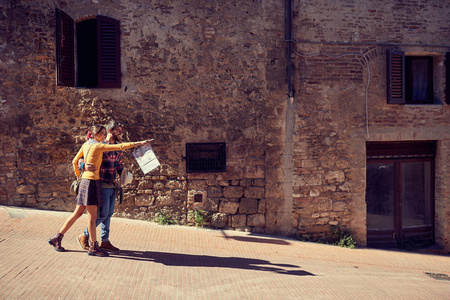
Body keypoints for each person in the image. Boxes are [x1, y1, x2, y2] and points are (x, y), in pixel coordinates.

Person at [48, 124, 152, 257]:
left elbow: (75, 161)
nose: (104, 136)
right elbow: (120, 147)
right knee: (93, 217)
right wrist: (141, 143)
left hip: (90, 181)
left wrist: (79, 175)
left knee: (79, 213)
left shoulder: (87, 144)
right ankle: (92, 246)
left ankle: (58, 237)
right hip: (93, 183)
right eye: (102, 133)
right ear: (96, 134)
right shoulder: (99, 145)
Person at [76, 120, 126, 252]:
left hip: (112, 184)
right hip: (101, 183)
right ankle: (84, 235)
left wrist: (124, 174)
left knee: (109, 214)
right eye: (118, 130)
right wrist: (83, 165)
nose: (120, 132)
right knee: (102, 214)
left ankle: (105, 241)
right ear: (110, 131)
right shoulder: (99, 144)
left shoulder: (118, 146)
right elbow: (81, 158)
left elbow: (119, 164)